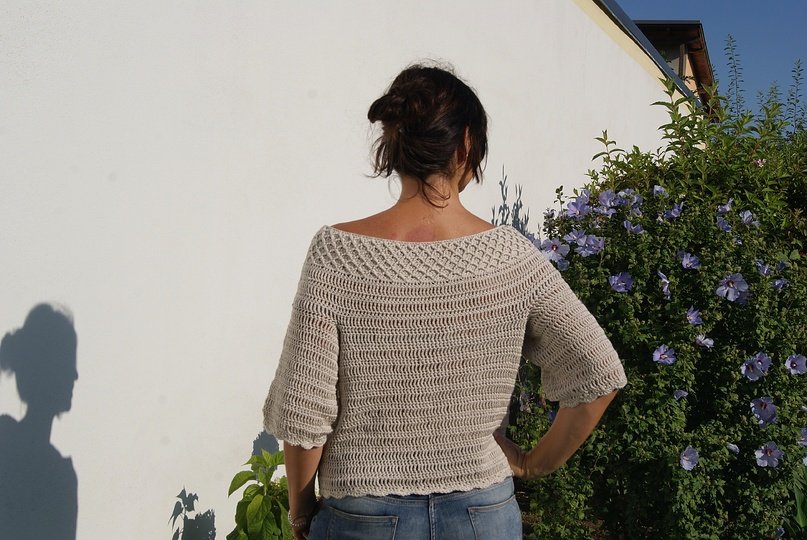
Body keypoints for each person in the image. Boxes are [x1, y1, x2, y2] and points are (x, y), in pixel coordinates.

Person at [263, 63, 628, 540]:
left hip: (362, 515)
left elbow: (304, 409)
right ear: (467, 144)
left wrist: (300, 512)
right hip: (484, 513)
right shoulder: (512, 258)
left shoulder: (336, 255)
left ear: (393, 145)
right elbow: (598, 372)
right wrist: (532, 463)